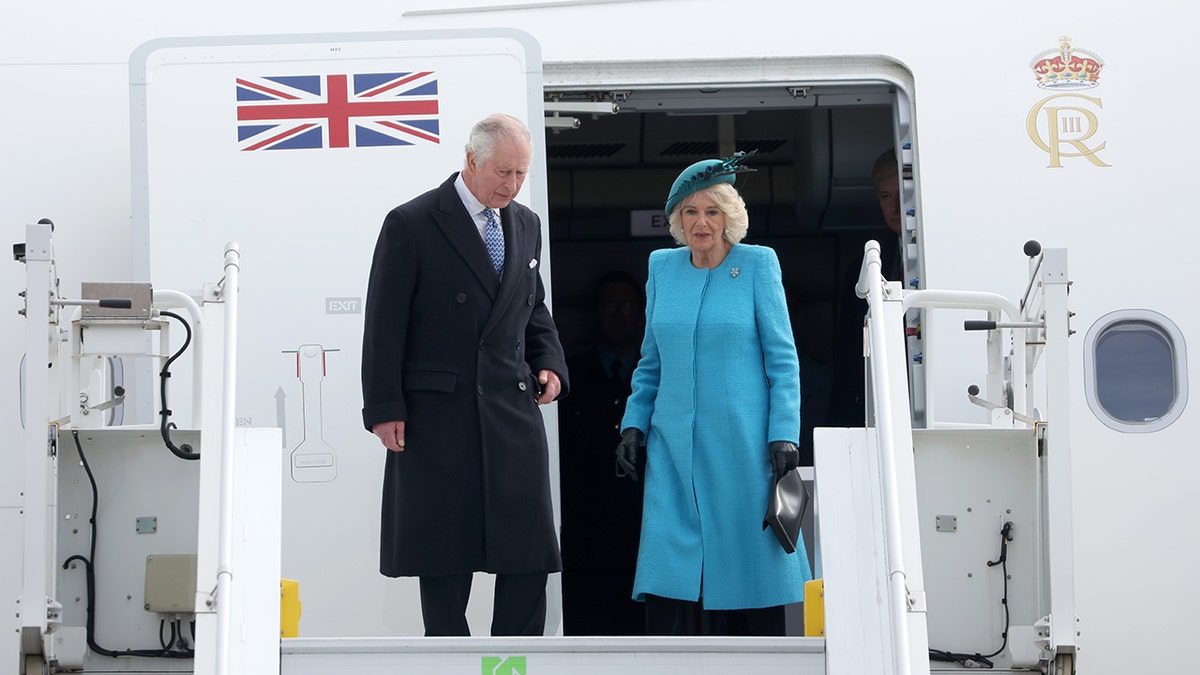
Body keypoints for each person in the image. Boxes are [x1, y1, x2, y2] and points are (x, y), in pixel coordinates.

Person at [360, 112, 570, 637]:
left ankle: (516, 668)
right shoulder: (411, 222)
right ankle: (448, 663)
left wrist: (549, 361)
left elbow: (531, 306)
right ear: (471, 160)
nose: (512, 185)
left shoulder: (525, 223)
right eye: (503, 172)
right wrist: (384, 409)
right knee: (444, 556)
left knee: (527, 554)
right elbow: (384, 324)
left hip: (511, 408)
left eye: (522, 174)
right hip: (438, 414)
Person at [614, 153, 812, 636]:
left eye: (712, 211)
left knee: (750, 571)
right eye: (690, 212)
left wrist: (784, 434)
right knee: (671, 570)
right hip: (674, 450)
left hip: (742, 449)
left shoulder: (758, 264)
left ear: (729, 217)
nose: (701, 222)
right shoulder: (663, 268)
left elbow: (783, 361)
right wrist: (633, 425)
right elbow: (650, 362)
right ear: (678, 220)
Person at [558, 271, 647, 635]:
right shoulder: (569, 375)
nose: (618, 315)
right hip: (585, 530)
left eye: (627, 306)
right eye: (609, 306)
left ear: (642, 312)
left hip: (644, 523)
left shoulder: (655, 374)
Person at [827, 148, 904, 427]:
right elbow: (849, 356)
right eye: (886, 196)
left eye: (901, 195)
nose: (894, 208)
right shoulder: (861, 269)